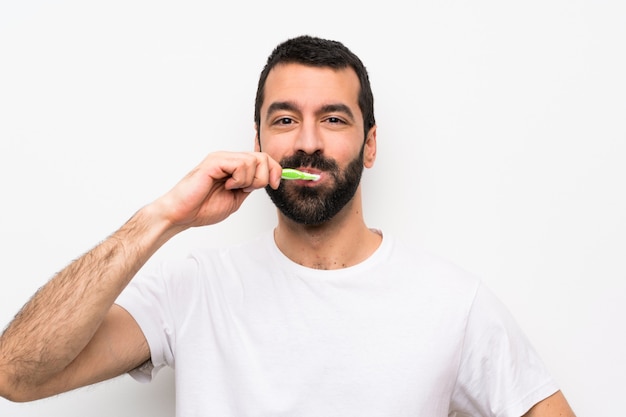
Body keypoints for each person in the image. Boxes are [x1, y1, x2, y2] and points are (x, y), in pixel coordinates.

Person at [0, 35, 575, 416]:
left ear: (369, 144)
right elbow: (17, 373)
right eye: (284, 119)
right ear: (258, 143)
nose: (307, 141)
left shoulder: (454, 302)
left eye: (332, 118)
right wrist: (163, 218)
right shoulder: (194, 287)